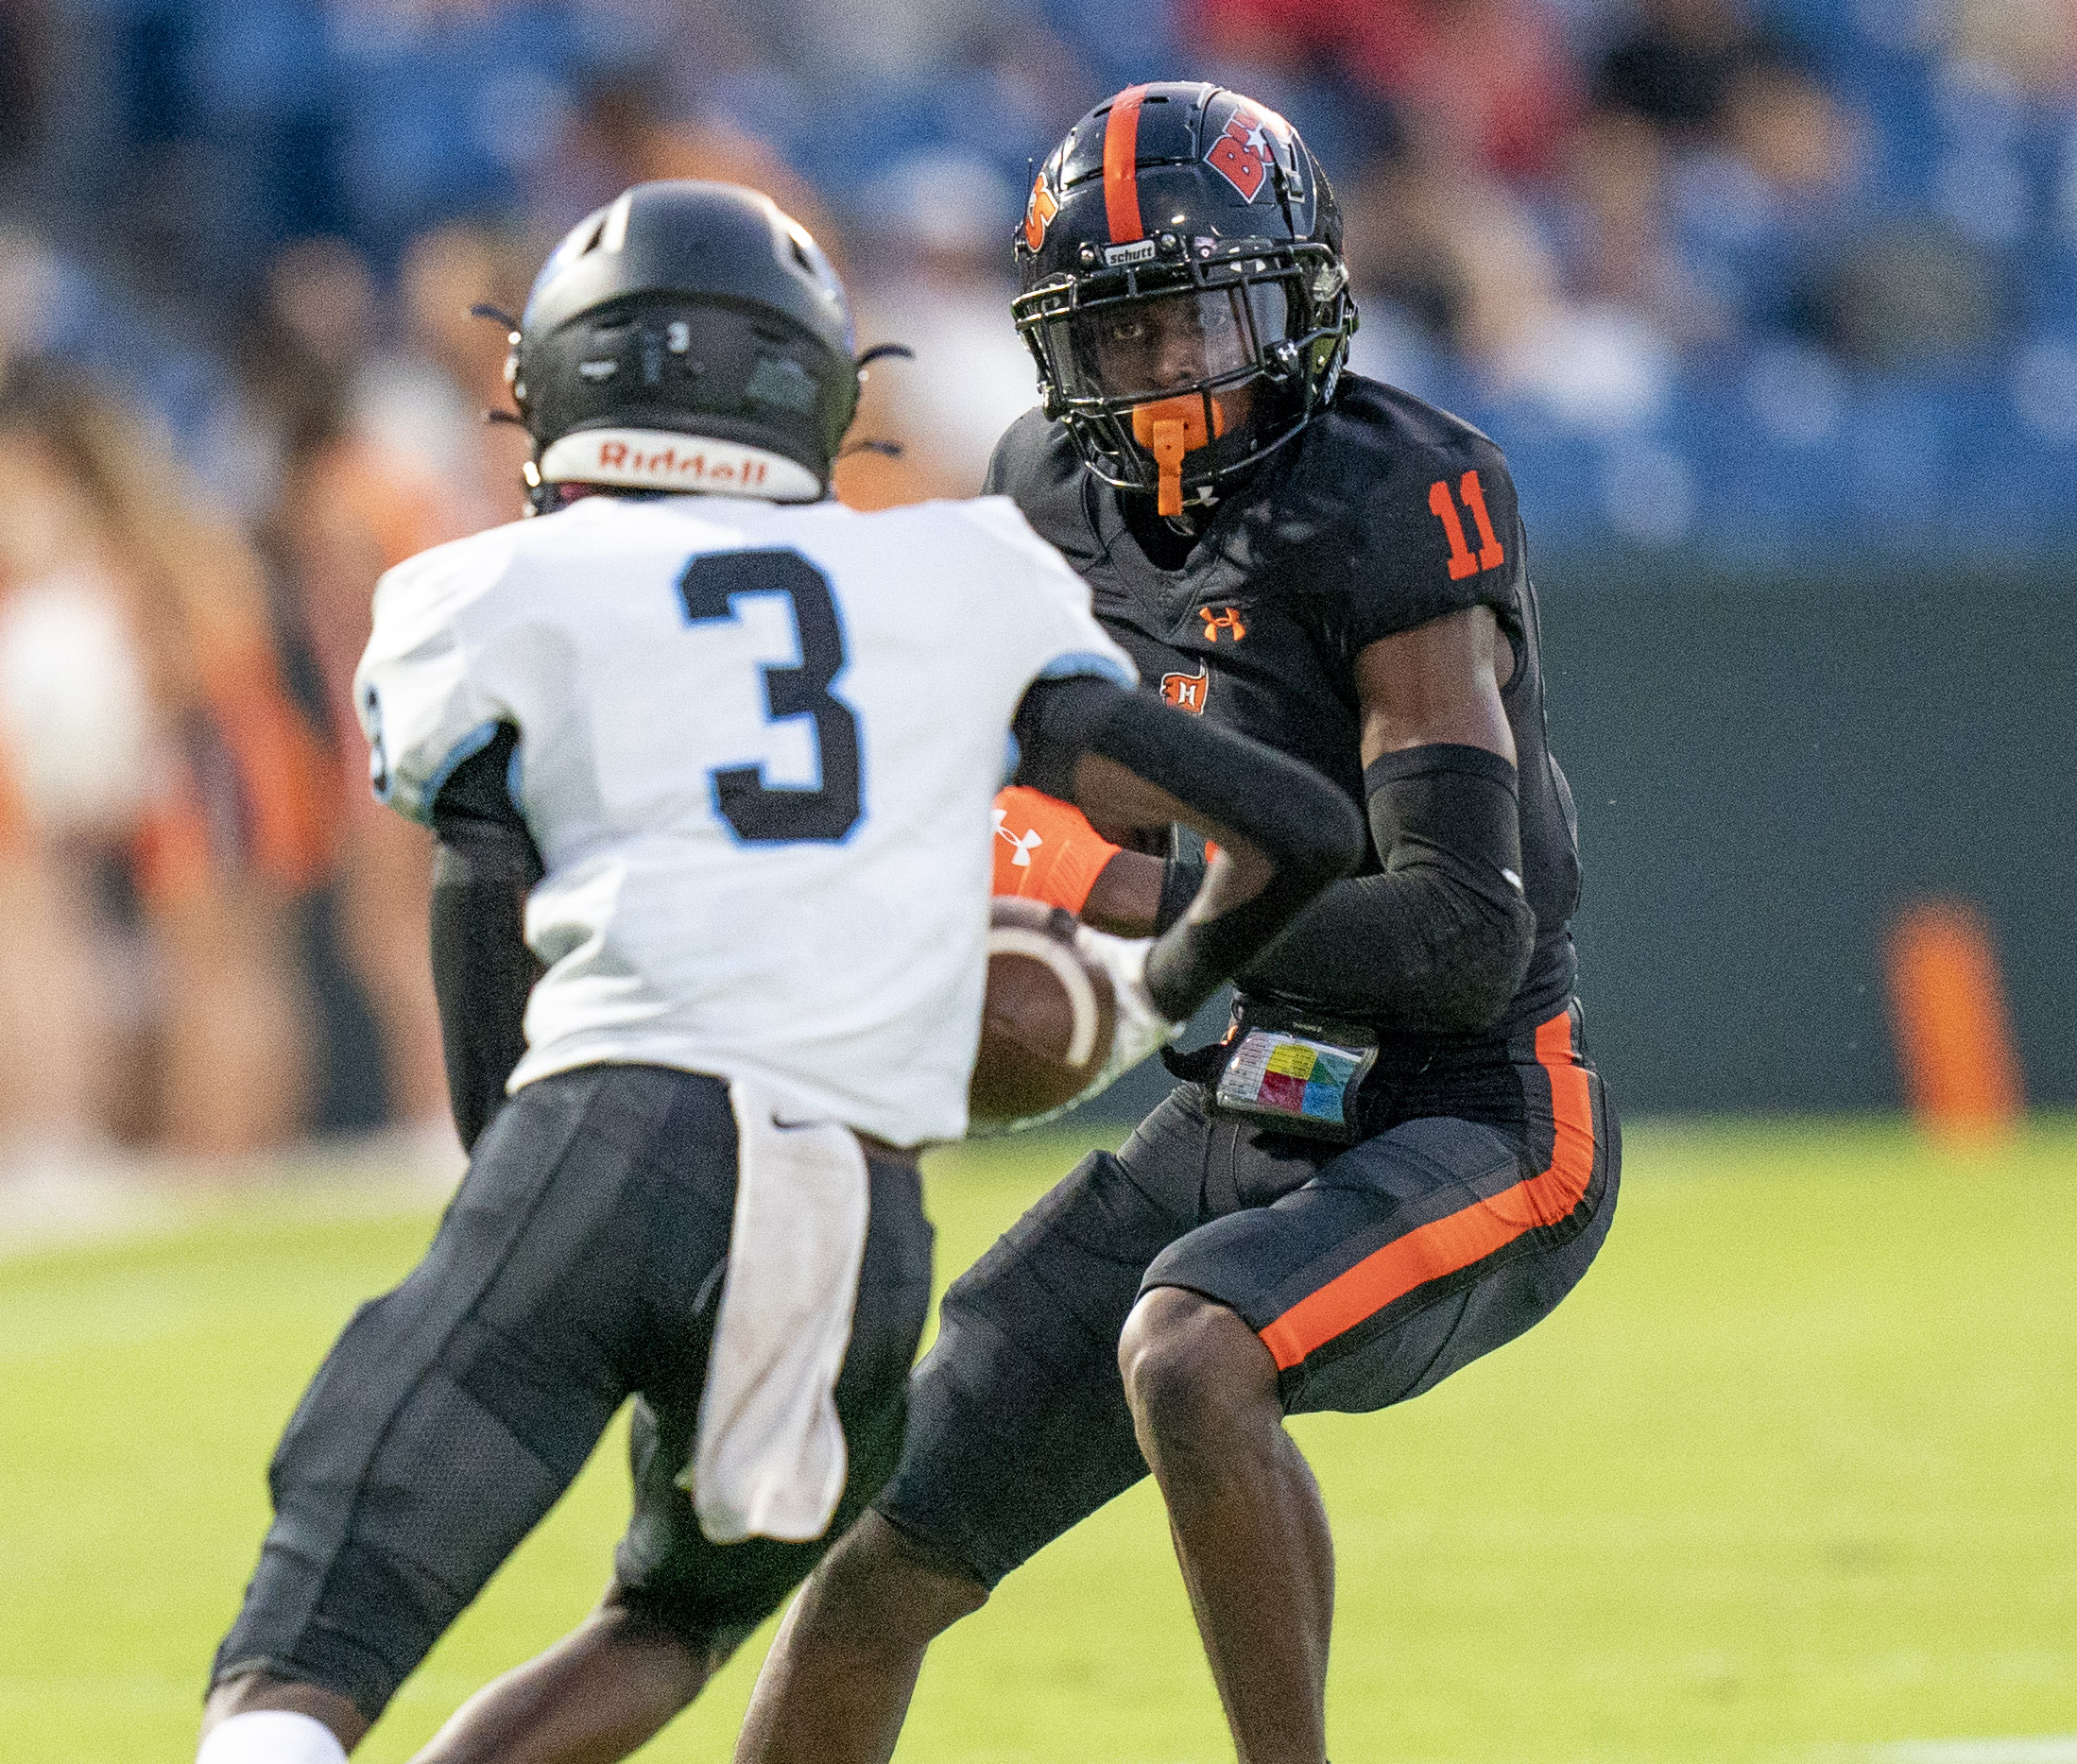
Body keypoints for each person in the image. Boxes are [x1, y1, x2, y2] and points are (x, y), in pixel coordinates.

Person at [195, 179, 1361, 1764]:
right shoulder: (959, 576)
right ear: (810, 386)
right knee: (673, 1624)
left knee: (307, 1656)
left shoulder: (481, 591)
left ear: (562, 379)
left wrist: (517, 1197)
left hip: (609, 1130)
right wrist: (1143, 997)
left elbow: (481, 905)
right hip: (853, 1213)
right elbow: (1290, 825)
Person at [735, 82, 1622, 1764]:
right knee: (867, 1552)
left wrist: (1102, 890)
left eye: (1211, 312)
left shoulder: (1396, 496)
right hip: (1234, 1092)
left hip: (1480, 1105)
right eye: (1129, 327)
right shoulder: (1037, 500)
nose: (1174, 367)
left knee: (1189, 1347)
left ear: (1301, 299)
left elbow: (1455, 940)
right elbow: (980, 786)